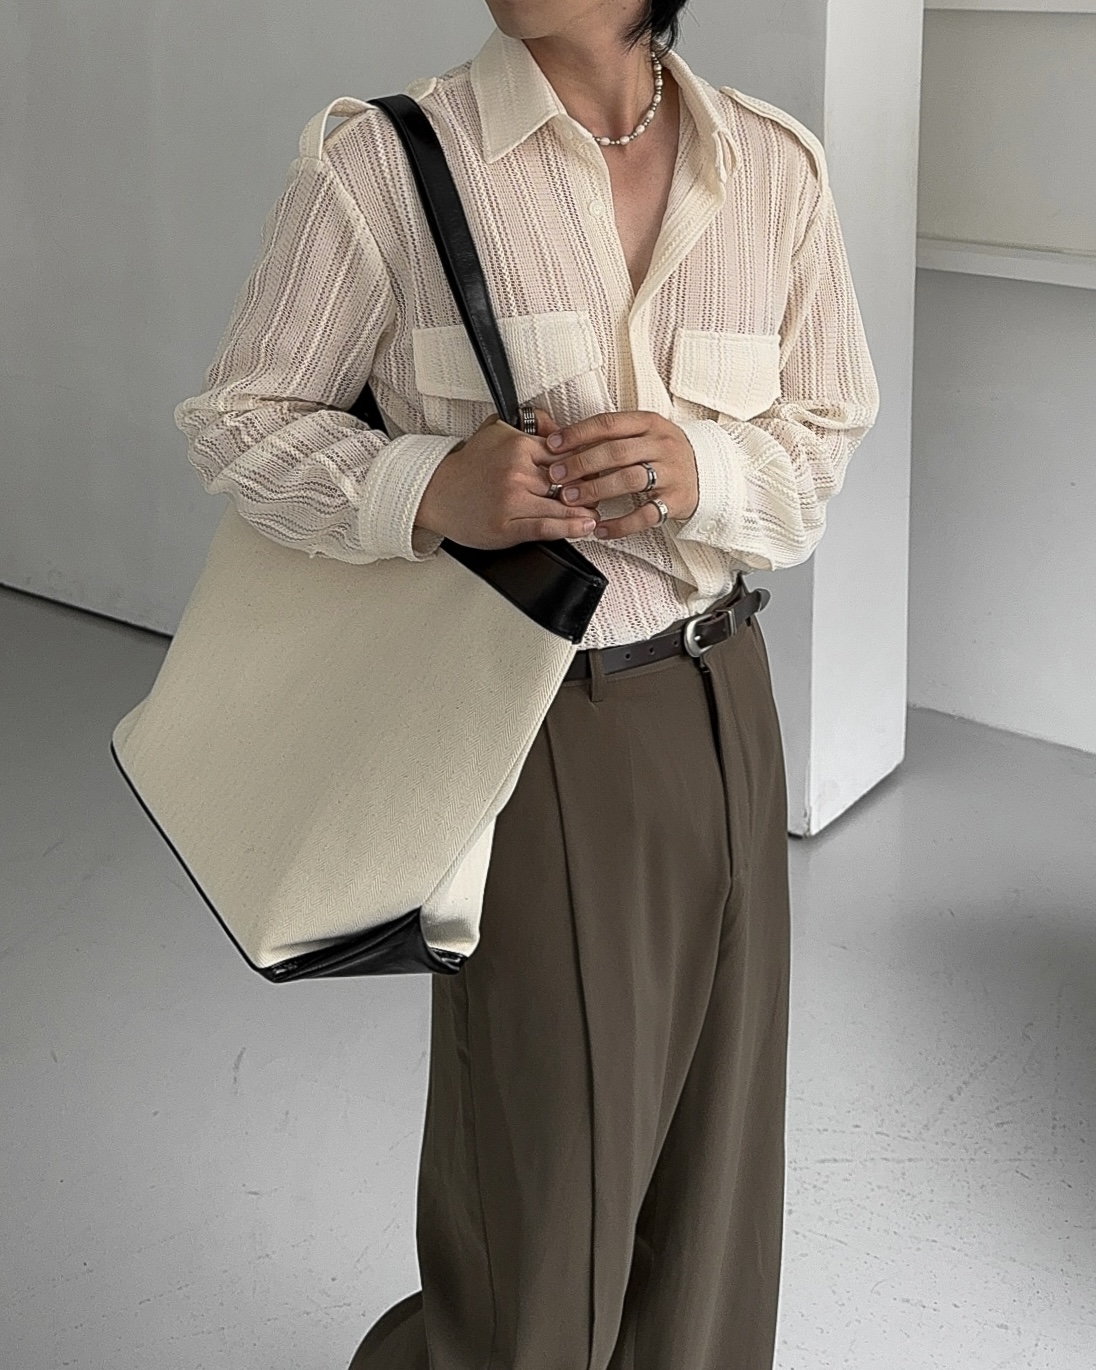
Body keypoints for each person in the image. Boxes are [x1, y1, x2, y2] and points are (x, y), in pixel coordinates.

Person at [175, 1, 880, 1364]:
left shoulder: (773, 170)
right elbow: (239, 423)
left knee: (720, 1172)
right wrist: (429, 485)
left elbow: (825, 430)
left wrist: (707, 469)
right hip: (538, 718)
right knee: (549, 1182)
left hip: (730, 695)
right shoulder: (385, 162)